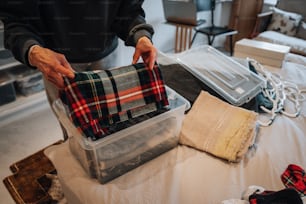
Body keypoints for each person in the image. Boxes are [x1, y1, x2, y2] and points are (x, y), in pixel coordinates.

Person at [0, 0, 157, 139]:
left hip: (107, 53)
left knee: (116, 125)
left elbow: (128, 9)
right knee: (74, 134)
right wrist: (33, 51)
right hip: (58, 63)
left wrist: (140, 34)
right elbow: (16, 20)